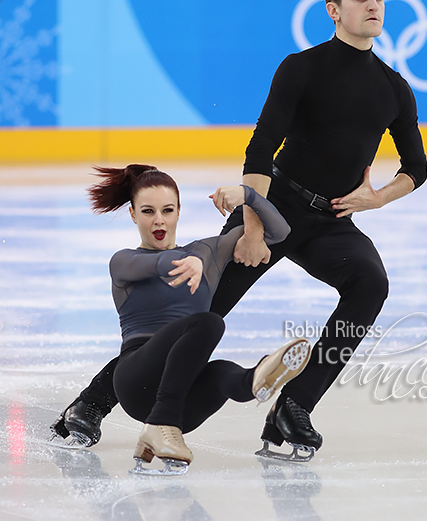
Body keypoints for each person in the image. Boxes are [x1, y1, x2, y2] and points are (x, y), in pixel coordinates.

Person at [51, 0, 427, 460]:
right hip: (275, 207)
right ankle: (91, 405)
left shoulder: (393, 87)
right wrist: (252, 228)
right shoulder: (302, 68)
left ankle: (293, 408)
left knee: (370, 284)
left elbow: (416, 166)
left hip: (333, 221)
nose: (374, 5)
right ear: (333, 9)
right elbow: (260, 151)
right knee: (197, 309)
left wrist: (376, 197)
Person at [53, 163, 312, 473]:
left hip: (183, 406)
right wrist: (191, 260)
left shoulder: (207, 253)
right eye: (148, 212)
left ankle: (255, 379)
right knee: (209, 322)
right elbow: (160, 264)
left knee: (221, 373)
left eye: (167, 210)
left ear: (178, 212)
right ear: (134, 215)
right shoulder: (124, 262)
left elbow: (280, 232)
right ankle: (160, 424)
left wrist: (248, 196)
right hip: (135, 381)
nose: (159, 220)